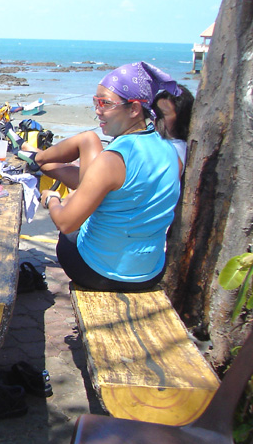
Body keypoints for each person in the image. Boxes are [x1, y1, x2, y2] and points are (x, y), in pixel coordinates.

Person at [17, 61, 182, 292]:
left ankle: (39, 160)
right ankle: (41, 160)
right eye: (95, 102)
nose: (97, 110)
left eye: (105, 103)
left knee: (71, 229)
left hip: (99, 272)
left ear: (134, 109)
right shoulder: (171, 152)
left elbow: (65, 223)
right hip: (150, 272)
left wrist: (51, 199)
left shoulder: (113, 159)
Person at [152, 84, 194, 176]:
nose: (155, 118)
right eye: (154, 112)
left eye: (162, 114)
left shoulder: (175, 149)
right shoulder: (161, 142)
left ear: (181, 118)